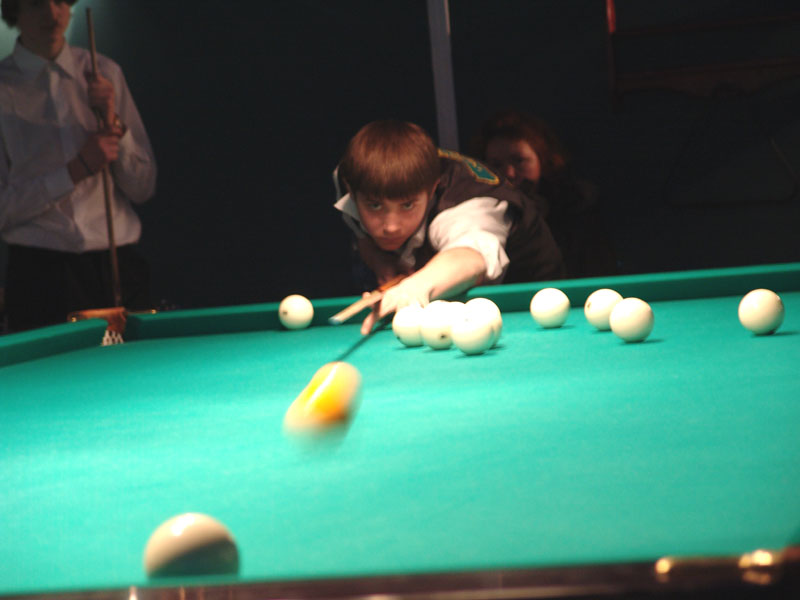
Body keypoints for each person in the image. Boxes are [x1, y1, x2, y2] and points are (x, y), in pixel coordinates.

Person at [0, 0, 156, 332]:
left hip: (117, 265)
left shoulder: (105, 73)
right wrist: (76, 169)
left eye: (60, 1)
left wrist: (114, 122)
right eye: (37, 4)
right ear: (15, 11)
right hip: (41, 275)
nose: (52, 13)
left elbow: (143, 187)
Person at [334, 119, 565, 334]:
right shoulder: (351, 175)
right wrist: (379, 258)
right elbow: (358, 226)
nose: (391, 227)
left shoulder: (466, 203)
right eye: (375, 206)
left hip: (534, 300)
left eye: (407, 205)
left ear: (432, 189)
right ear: (352, 192)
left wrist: (414, 287)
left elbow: (471, 255)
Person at [471, 110, 617, 279]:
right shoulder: (479, 215)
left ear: (542, 159)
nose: (509, 173)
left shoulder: (578, 206)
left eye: (519, 160)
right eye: (496, 164)